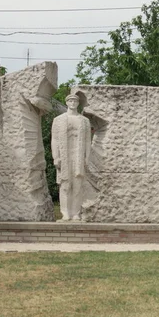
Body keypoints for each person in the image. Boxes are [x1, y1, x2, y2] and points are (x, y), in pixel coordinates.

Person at [51, 91, 92, 221]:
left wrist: (87, 157)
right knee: (65, 185)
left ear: (78, 103)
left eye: (75, 101)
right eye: (70, 101)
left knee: (77, 185)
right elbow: (55, 139)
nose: (73, 103)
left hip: (78, 154)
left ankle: (75, 213)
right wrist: (55, 157)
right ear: (67, 102)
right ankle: (65, 212)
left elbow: (87, 141)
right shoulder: (58, 120)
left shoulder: (84, 121)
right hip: (64, 155)